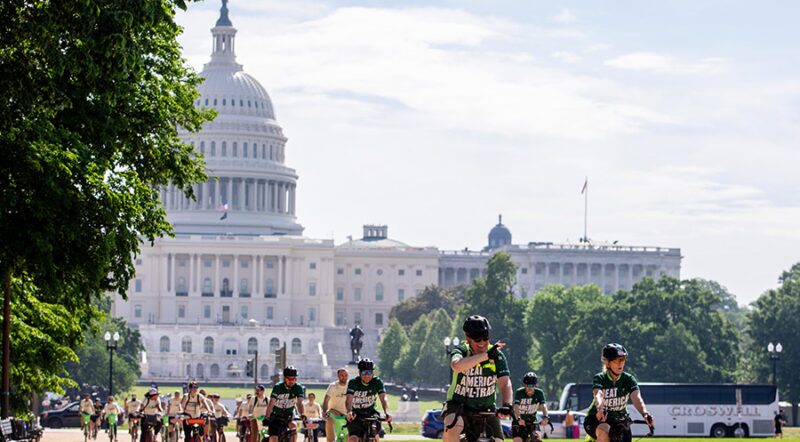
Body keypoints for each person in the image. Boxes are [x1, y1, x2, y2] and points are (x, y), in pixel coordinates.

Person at [443, 315, 513, 442]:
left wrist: (507, 404)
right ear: (468, 339)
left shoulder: (497, 355)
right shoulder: (461, 351)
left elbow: (505, 383)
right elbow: (456, 366)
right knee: (452, 425)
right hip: (459, 406)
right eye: (477, 339)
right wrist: (485, 356)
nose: (482, 343)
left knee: (498, 440)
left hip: (486, 408)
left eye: (485, 338)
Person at [583, 344, 653, 442]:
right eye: (617, 360)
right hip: (598, 418)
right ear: (607, 363)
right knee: (605, 432)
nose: (620, 364)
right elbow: (598, 395)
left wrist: (645, 413)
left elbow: (637, 398)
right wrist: (600, 409)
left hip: (620, 421)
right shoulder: (600, 378)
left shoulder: (628, 379)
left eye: (623, 360)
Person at [345, 359, 392, 442]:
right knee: (353, 439)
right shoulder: (353, 382)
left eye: (369, 373)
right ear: (359, 372)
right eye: (364, 373)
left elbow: (383, 398)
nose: (367, 375)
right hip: (356, 413)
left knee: (374, 436)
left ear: (373, 373)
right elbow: (348, 400)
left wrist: (387, 412)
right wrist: (349, 411)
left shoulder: (377, 382)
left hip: (371, 412)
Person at [266, 366, 307, 442]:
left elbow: (300, 402)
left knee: (294, 429)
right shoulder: (278, 387)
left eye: (294, 379)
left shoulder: (298, 388)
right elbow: (271, 402)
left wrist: (302, 414)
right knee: (273, 439)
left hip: (288, 416)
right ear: (284, 378)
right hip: (276, 416)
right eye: (289, 379)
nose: (292, 381)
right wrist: (267, 416)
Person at [512, 372, 549, 442]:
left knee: (537, 439)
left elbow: (543, 406)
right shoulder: (519, 392)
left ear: (535, 385)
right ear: (524, 385)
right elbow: (516, 406)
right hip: (519, 421)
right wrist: (519, 418)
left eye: (532, 385)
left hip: (532, 421)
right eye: (527, 385)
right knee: (518, 441)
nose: (529, 388)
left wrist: (546, 417)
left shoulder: (539, 393)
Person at [323, 368, 349, 442]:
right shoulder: (333, 386)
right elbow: (326, 400)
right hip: (334, 411)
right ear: (338, 376)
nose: (344, 377)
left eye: (346, 375)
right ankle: (330, 440)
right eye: (342, 375)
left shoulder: (350, 386)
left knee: (347, 438)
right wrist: (324, 411)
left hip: (347, 414)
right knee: (329, 419)